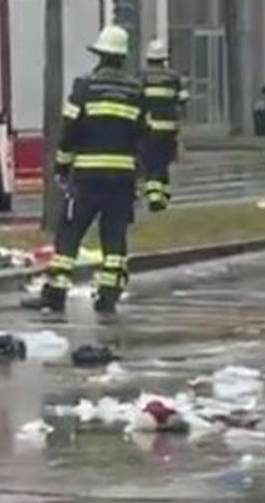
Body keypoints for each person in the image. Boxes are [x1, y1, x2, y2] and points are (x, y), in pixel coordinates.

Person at [38, 26, 149, 316]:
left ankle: (56, 293)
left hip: (87, 176)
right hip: (122, 177)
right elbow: (144, 134)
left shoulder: (84, 87)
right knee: (114, 235)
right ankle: (109, 294)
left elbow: (69, 130)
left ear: (100, 55)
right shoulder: (136, 91)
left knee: (70, 232)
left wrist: (62, 166)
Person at [139, 38, 186, 213]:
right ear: (163, 59)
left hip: (150, 129)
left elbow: (138, 101)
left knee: (152, 164)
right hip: (169, 129)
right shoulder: (173, 77)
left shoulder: (142, 77)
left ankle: (154, 198)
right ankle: (164, 197)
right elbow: (183, 99)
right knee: (164, 163)